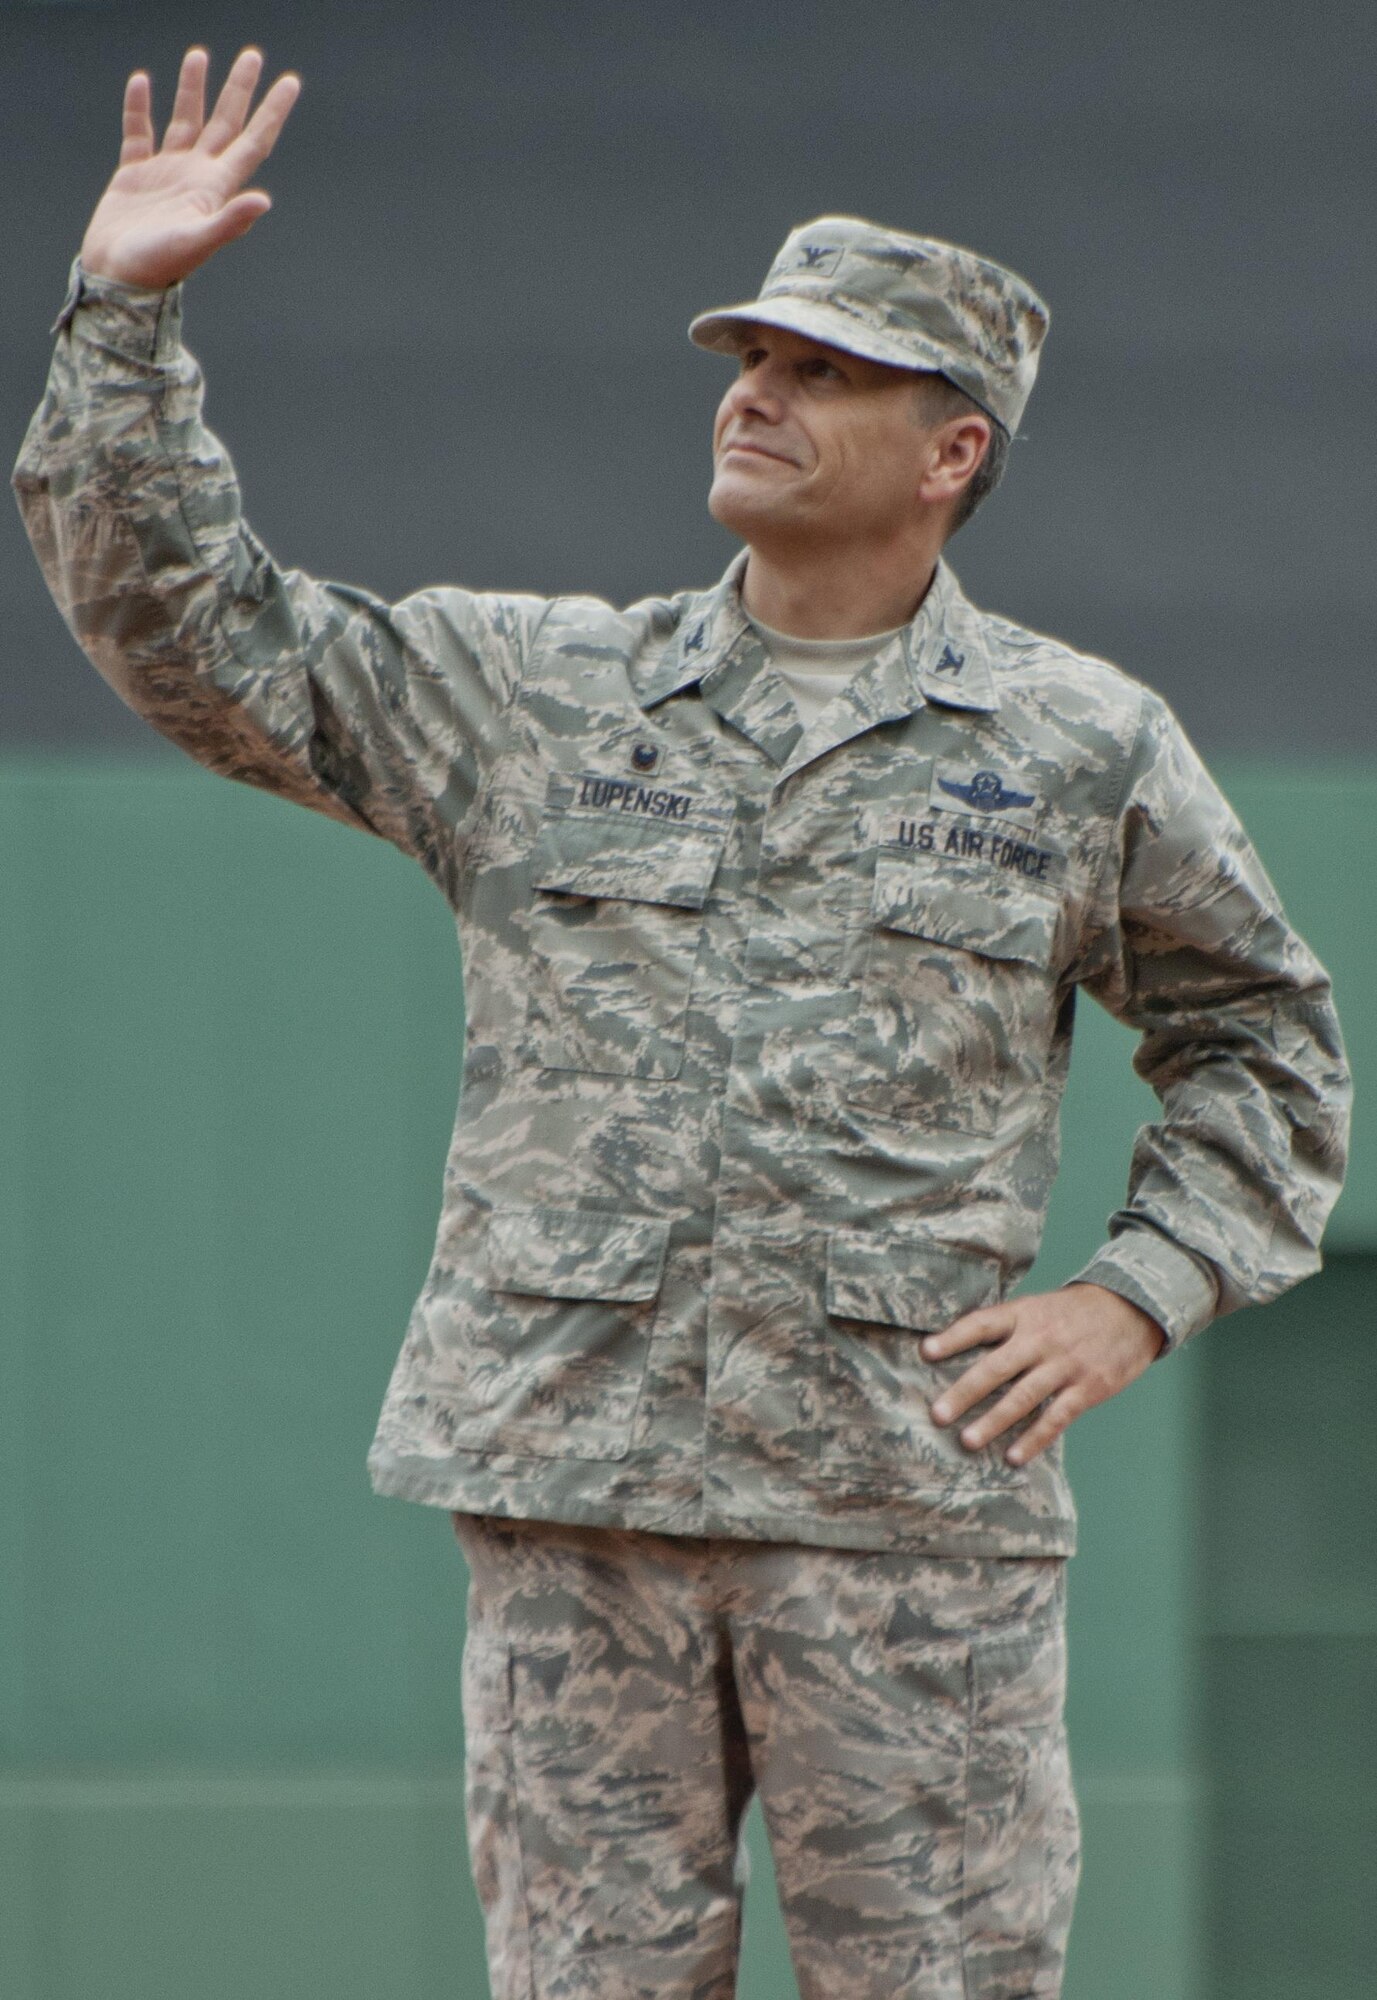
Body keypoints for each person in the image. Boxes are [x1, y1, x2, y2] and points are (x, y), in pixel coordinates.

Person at [14, 45, 1350, 2000]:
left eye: (824, 371)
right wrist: (124, 319)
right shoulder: (534, 692)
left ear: (951, 448)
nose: (754, 391)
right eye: (751, 355)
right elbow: (195, 637)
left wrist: (1128, 1293)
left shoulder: (1077, 745)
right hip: (582, 1512)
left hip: (904, 1525)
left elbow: (1262, 1038)